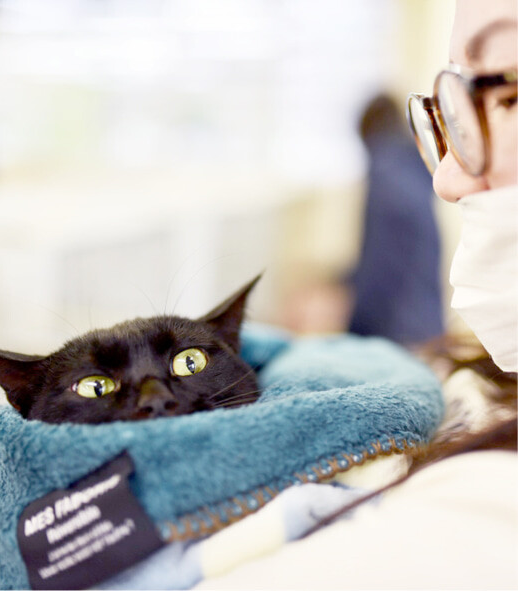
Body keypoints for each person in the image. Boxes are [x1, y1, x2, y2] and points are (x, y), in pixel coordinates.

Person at [196, 0, 517, 587]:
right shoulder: (397, 168)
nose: (449, 180)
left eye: (509, 96)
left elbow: (387, 264)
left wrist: (352, 313)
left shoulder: (478, 522)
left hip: (400, 316)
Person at [349, 92, 443, 344]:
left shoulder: (385, 172)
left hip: (396, 329)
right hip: (426, 320)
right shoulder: (412, 164)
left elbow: (378, 261)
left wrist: (355, 331)